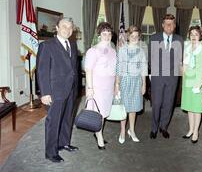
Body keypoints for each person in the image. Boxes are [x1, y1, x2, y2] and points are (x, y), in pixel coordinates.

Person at [37, 17, 79, 163]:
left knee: (67, 118)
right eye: (64, 26)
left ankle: (63, 143)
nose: (67, 29)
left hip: (71, 89)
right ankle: (51, 152)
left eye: (70, 27)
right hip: (55, 91)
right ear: (57, 27)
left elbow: (73, 69)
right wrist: (45, 93)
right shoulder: (47, 46)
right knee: (53, 121)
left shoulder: (73, 44)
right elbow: (42, 71)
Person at [148, 14, 183, 139]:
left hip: (173, 77)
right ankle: (154, 128)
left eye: (171, 24)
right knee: (156, 103)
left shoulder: (179, 39)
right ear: (162, 25)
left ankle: (164, 127)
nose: (169, 26)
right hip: (158, 77)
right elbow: (150, 58)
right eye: (166, 23)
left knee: (169, 103)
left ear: (174, 25)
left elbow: (181, 59)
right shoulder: (154, 38)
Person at [85, 22, 116, 150]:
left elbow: (114, 70)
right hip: (97, 86)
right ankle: (99, 137)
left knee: (104, 112)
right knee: (99, 113)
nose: (107, 36)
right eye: (104, 33)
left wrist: (115, 86)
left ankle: (97, 132)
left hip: (109, 86)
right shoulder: (93, 51)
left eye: (109, 33)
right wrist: (90, 89)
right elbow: (88, 70)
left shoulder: (113, 51)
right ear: (99, 35)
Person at [115, 25, 147, 144]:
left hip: (137, 81)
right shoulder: (122, 50)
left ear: (139, 37)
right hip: (125, 81)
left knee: (133, 108)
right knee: (124, 108)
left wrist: (144, 84)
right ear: (128, 36)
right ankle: (123, 130)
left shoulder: (141, 51)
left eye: (136, 36)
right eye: (132, 36)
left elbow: (144, 69)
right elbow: (118, 69)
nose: (134, 38)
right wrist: (117, 85)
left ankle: (131, 130)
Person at [181, 26, 202, 143]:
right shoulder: (187, 48)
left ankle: (196, 131)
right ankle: (190, 129)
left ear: (200, 36)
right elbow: (184, 65)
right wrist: (183, 76)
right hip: (187, 80)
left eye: (196, 34)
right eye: (192, 34)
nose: (193, 36)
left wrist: (200, 83)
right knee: (189, 107)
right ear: (189, 35)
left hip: (198, 81)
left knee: (197, 108)